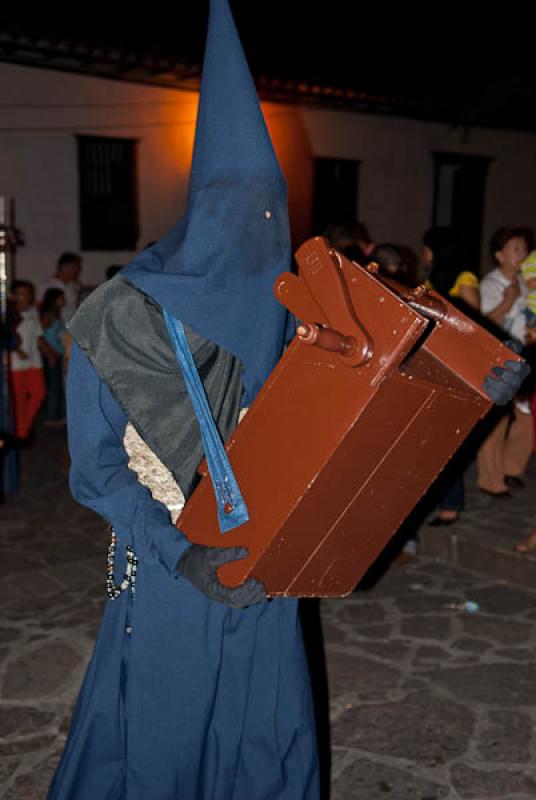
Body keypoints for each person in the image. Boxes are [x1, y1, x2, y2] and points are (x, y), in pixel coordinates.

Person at [47, 2, 319, 798]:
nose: (259, 229)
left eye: (273, 208)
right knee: (162, 739)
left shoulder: (292, 304)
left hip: (269, 566)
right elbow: (95, 471)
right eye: (241, 207)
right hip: (172, 566)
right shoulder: (122, 317)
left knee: (267, 728)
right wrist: (179, 552)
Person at [422, 227, 480, 525]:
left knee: (447, 437)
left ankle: (452, 503)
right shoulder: (435, 278)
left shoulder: (464, 279)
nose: (424, 253)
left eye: (427, 247)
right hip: (439, 361)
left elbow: (472, 324)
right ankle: (445, 500)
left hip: (460, 366)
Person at [478, 227, 532, 495]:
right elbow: (484, 324)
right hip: (499, 358)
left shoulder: (526, 282)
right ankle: (490, 480)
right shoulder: (490, 284)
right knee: (496, 422)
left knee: (526, 417)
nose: (522, 253)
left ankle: (512, 468)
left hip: (525, 356)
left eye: (524, 248)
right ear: (500, 255)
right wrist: (507, 302)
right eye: (515, 248)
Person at [9, 280, 46, 439]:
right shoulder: (8, 314)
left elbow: (38, 336)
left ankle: (22, 427)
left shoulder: (33, 312)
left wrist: (48, 353)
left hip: (34, 361)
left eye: (27, 294)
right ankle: (21, 432)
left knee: (39, 393)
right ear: (13, 295)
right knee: (19, 399)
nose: (23, 297)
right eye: (20, 293)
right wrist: (16, 349)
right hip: (15, 363)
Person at [40, 288, 66, 425]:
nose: (64, 300)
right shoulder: (48, 315)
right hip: (51, 354)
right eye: (61, 297)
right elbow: (40, 336)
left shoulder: (56, 314)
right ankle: (51, 416)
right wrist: (50, 353)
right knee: (53, 386)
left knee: (57, 385)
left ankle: (58, 415)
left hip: (57, 354)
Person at [37, 252, 82, 323]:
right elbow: (39, 307)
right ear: (63, 267)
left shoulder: (74, 285)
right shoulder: (47, 285)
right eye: (73, 268)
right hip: (55, 326)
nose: (76, 271)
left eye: (77, 268)